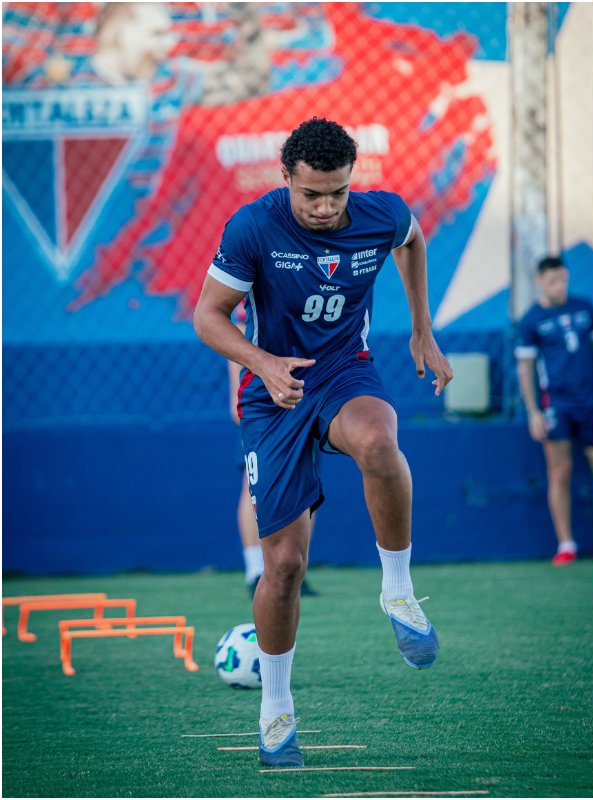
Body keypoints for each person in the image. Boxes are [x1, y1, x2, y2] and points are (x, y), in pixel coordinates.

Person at [194, 117, 453, 767]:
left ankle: (397, 589)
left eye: (337, 192)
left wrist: (422, 328)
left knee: (380, 443)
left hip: (343, 371)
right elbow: (208, 316)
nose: (326, 207)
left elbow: (413, 239)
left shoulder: (379, 214)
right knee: (284, 567)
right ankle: (276, 710)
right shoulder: (253, 227)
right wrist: (263, 363)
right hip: (273, 393)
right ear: (286, 178)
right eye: (311, 194)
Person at [515, 255, 593, 565]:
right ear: (540, 281)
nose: (559, 286)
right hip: (557, 405)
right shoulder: (531, 320)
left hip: (590, 401)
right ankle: (566, 543)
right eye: (553, 281)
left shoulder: (584, 307)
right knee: (560, 472)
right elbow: (526, 368)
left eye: (563, 279)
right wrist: (534, 412)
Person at [228, 318, 318, 599]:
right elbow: (236, 332)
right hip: (262, 409)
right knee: (254, 485)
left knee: (306, 486)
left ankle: (295, 567)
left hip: (302, 403)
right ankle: (256, 569)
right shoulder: (250, 319)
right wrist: (241, 396)